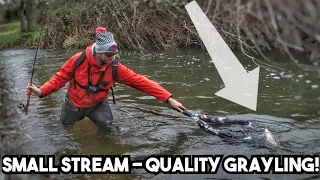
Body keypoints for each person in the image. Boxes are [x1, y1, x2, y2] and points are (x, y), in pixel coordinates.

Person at [26, 27, 186, 132]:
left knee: (110, 131)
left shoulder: (115, 67)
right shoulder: (77, 60)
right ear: (98, 52)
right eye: (109, 55)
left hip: (98, 105)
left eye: (114, 54)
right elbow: (59, 78)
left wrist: (168, 99)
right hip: (73, 105)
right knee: (64, 132)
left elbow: (140, 81)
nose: (112, 58)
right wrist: (41, 91)